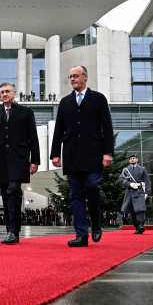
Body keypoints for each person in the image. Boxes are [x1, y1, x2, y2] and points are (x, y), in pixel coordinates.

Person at [50, 65, 114, 247]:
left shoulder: (98, 99)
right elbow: (58, 130)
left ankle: (96, 223)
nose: (72, 79)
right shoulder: (65, 102)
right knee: (75, 196)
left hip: (93, 155)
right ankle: (81, 235)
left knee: (92, 186)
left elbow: (107, 127)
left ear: (85, 77)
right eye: (70, 76)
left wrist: (108, 152)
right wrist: (55, 153)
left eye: (76, 76)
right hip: (71, 156)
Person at [0, 81, 40, 244]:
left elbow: (33, 137)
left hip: (19, 159)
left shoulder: (26, 112)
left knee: (14, 190)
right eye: (2, 92)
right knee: (6, 195)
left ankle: (13, 231)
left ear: (14, 94)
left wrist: (35, 160)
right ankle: (10, 230)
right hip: (2, 161)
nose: (4, 94)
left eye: (7, 91)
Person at [119, 155, 151, 234]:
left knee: (140, 209)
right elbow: (121, 180)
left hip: (139, 191)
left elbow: (147, 181)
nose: (132, 159)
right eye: (131, 159)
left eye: (134, 158)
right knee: (132, 211)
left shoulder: (142, 169)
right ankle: (137, 227)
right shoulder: (126, 170)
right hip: (129, 192)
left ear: (137, 159)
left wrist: (147, 192)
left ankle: (141, 225)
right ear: (129, 161)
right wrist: (129, 184)